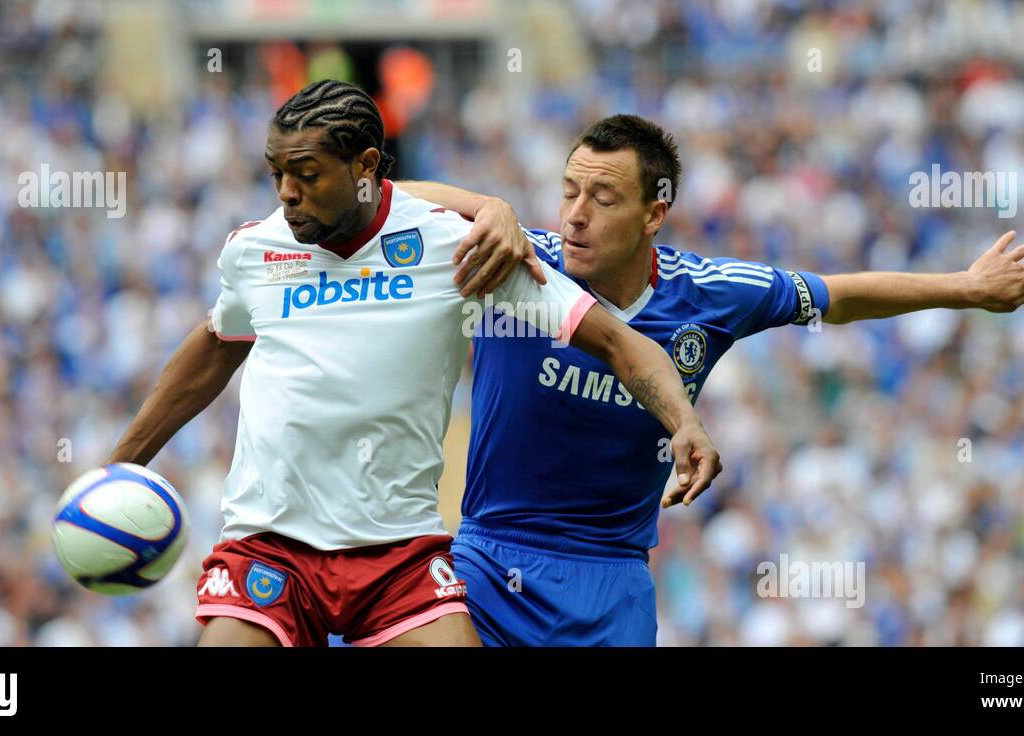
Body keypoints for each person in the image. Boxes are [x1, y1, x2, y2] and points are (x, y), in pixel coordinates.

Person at [398, 113, 1024, 646]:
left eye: (602, 198)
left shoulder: (711, 294)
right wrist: (487, 204)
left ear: (653, 215)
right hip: (490, 560)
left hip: (612, 584)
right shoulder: (515, 259)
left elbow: (839, 296)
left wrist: (966, 288)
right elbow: (391, 204)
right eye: (569, 192)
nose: (574, 214)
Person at [105, 87, 721, 647]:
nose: (287, 192)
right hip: (269, 548)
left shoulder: (455, 247)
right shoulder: (256, 249)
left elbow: (620, 343)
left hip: (397, 556)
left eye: (307, 174)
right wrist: (121, 464)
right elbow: (217, 343)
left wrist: (683, 422)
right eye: (277, 174)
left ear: (367, 167)